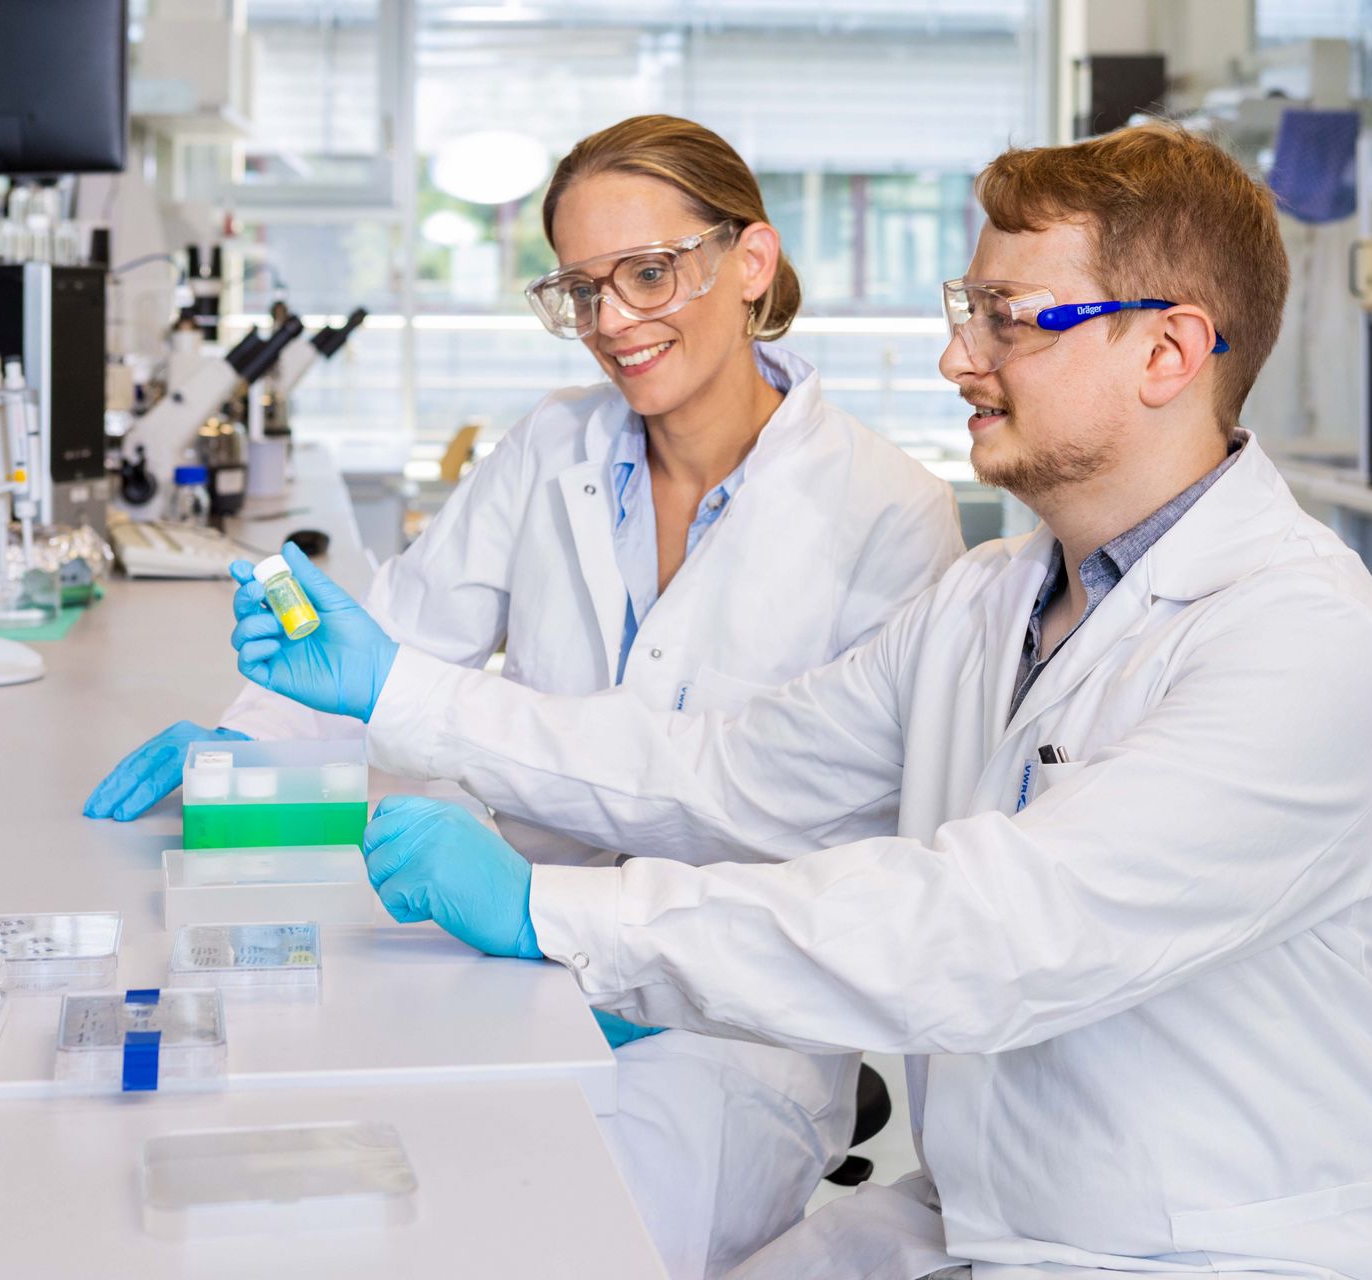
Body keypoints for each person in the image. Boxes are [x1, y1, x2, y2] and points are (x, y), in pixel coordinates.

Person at [227, 122, 1372, 1280]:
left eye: (1009, 320)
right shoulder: (988, 599)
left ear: (1169, 352)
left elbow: (982, 931)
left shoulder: (1298, 641)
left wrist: (554, 909)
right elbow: (723, 768)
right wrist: (404, 691)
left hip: (1203, 1248)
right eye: (966, 310)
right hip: (987, 1209)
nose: (957, 356)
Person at [87, 115, 966, 1279]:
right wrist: (242, 746)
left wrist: (555, 908)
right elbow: (391, 634)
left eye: (649, 273)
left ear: (750, 263)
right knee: (361, 1203)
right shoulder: (555, 443)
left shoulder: (889, 512)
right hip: (501, 952)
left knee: (566, 1239)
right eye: (582, 289)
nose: (612, 322)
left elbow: (782, 803)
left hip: (727, 1024)